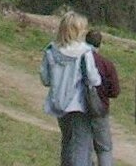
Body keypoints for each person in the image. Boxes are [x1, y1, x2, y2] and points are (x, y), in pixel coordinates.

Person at [41, 9, 103, 166]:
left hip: (59, 103)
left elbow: (45, 79)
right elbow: (93, 79)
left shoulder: (50, 50)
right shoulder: (84, 52)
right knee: (81, 145)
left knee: (67, 142)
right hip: (78, 103)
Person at [87, 29, 121, 166]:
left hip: (78, 107)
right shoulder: (106, 64)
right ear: (100, 44)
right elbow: (115, 91)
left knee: (83, 147)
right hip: (99, 108)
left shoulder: (79, 59)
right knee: (104, 149)